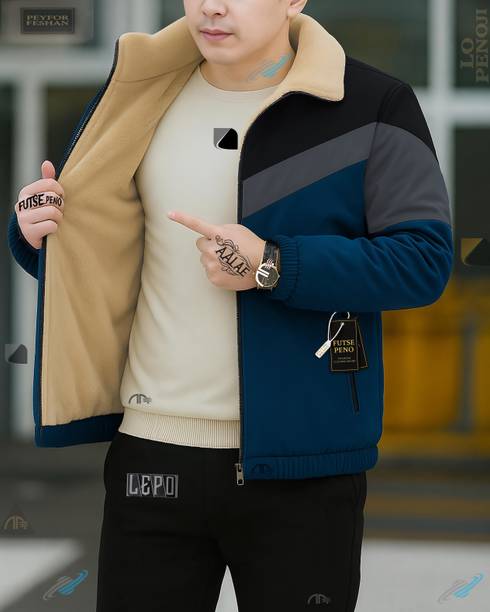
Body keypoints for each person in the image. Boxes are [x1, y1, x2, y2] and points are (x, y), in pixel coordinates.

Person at [7, 1, 454, 610]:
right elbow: (102, 256)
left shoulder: (373, 104)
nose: (212, 6)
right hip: (151, 453)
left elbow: (423, 260)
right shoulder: (138, 91)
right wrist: (36, 233)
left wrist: (273, 264)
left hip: (304, 468)